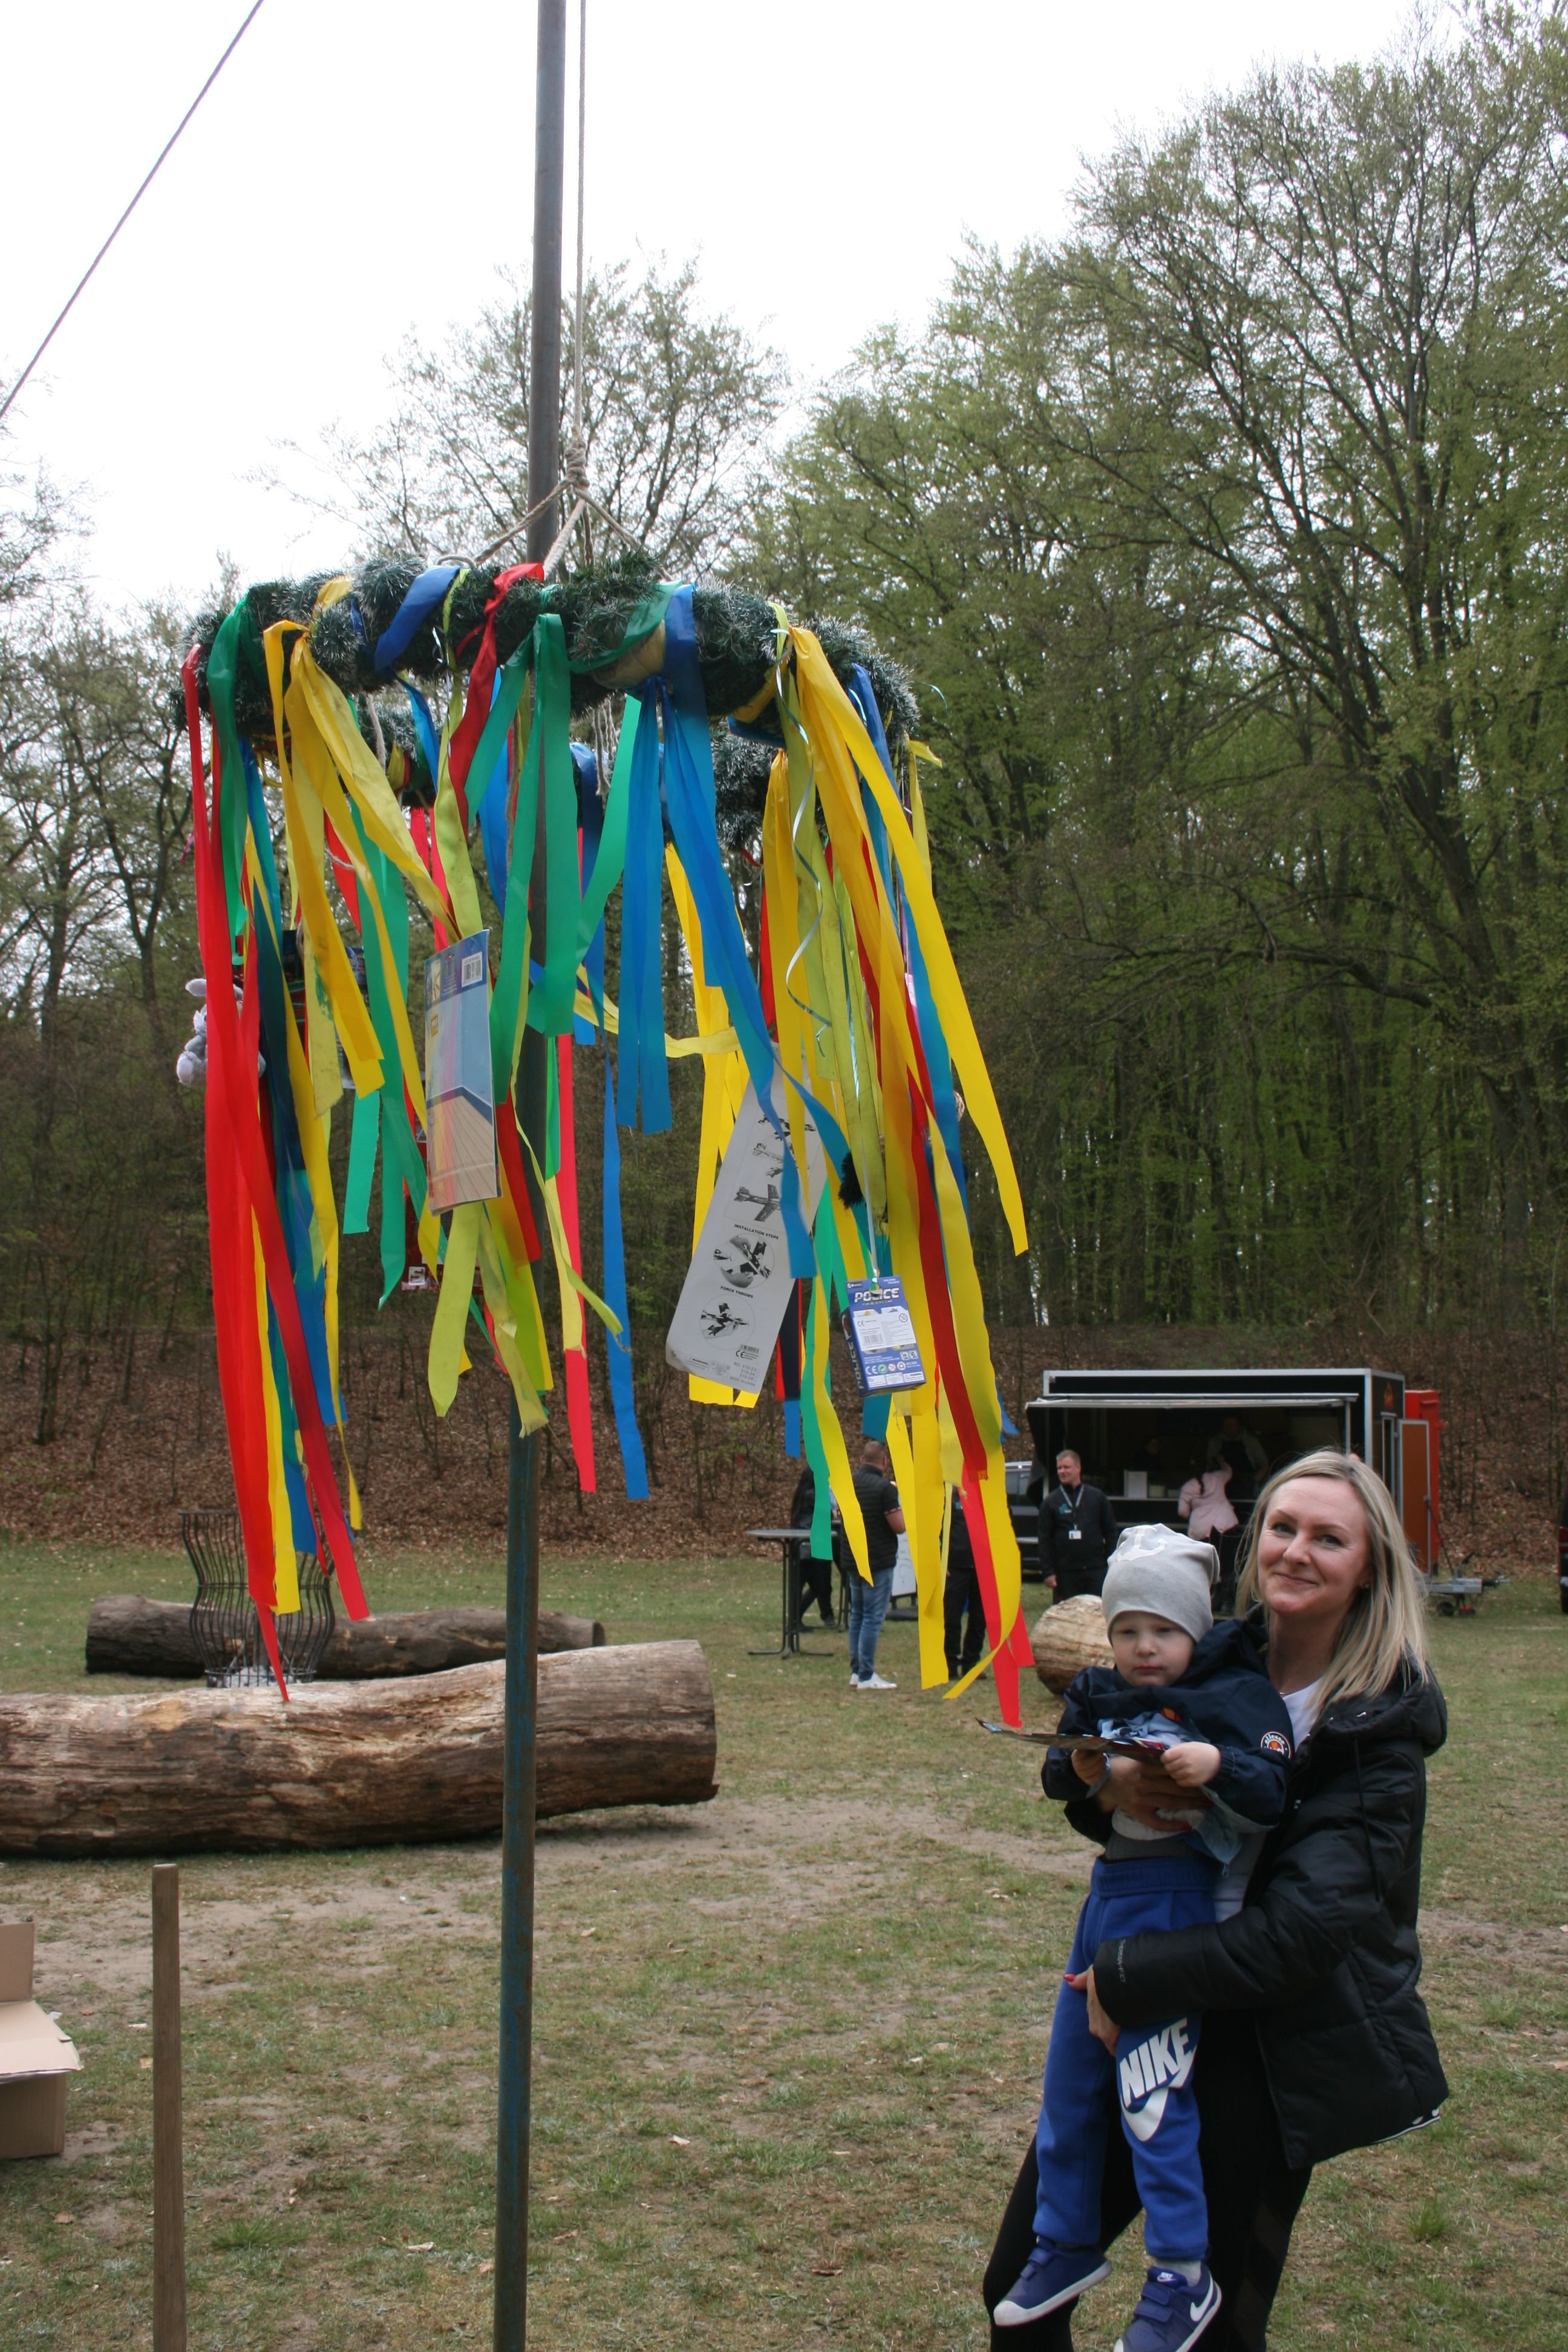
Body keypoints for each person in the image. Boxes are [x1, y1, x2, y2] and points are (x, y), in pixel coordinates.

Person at [982, 1451, 1447, 2352]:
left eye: (1329, 1538)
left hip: (1263, 2048)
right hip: (1148, 1994)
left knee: (1212, 2331)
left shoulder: (1376, 1728)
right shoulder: (1204, 1658)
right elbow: (1128, 1809)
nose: (1297, 1552)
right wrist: (1104, 1791)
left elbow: (1303, 1936)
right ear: (1251, 1539)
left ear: (1370, 1567)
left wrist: (1124, 1977)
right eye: (1282, 1527)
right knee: (1019, 2282)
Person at [994, 1526, 1295, 2350]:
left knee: (1152, 2099)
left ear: (1195, 1632)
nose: (1144, 1648)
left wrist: (1213, 1764)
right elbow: (1062, 1772)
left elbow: (1270, 1787)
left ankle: (1180, 2272)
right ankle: (1061, 2243)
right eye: (1128, 1631)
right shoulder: (1099, 1689)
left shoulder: (1231, 1693)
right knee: (1068, 2088)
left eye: (1162, 1631)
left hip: (1173, 1903)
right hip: (1105, 1898)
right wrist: (1097, 1771)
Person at [842, 1437, 905, 1691]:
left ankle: (857, 1671)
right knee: (872, 1617)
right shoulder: (885, 1489)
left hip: (852, 1558)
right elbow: (898, 1526)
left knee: (857, 1614)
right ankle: (867, 1674)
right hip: (878, 1561)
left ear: (862, 1459)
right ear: (884, 1461)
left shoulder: (849, 1484)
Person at [1042, 1450, 1120, 1602]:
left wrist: (1112, 1563)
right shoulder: (1051, 1501)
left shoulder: (1097, 1497)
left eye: (1067, 1467)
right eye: (1059, 1468)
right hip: (1065, 1573)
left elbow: (1111, 1532)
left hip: (1095, 1570)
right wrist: (1047, 1571)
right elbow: (1045, 1539)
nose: (1062, 1472)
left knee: (1096, 1616)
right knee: (1067, 1617)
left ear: (1078, 1468)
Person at [944, 1488, 987, 1682]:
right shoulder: (948, 1495)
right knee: (951, 1618)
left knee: (979, 1618)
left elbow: (1004, 1525)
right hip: (955, 1567)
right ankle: (950, 1665)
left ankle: (971, 1663)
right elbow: (934, 1528)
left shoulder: (988, 1493)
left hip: (984, 1566)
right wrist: (940, 1559)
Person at [788, 1465, 837, 1629]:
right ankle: (794, 1620)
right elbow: (828, 1515)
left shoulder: (802, 1494)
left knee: (804, 1585)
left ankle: (795, 1619)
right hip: (808, 1546)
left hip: (802, 1544)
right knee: (815, 1586)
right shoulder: (815, 1496)